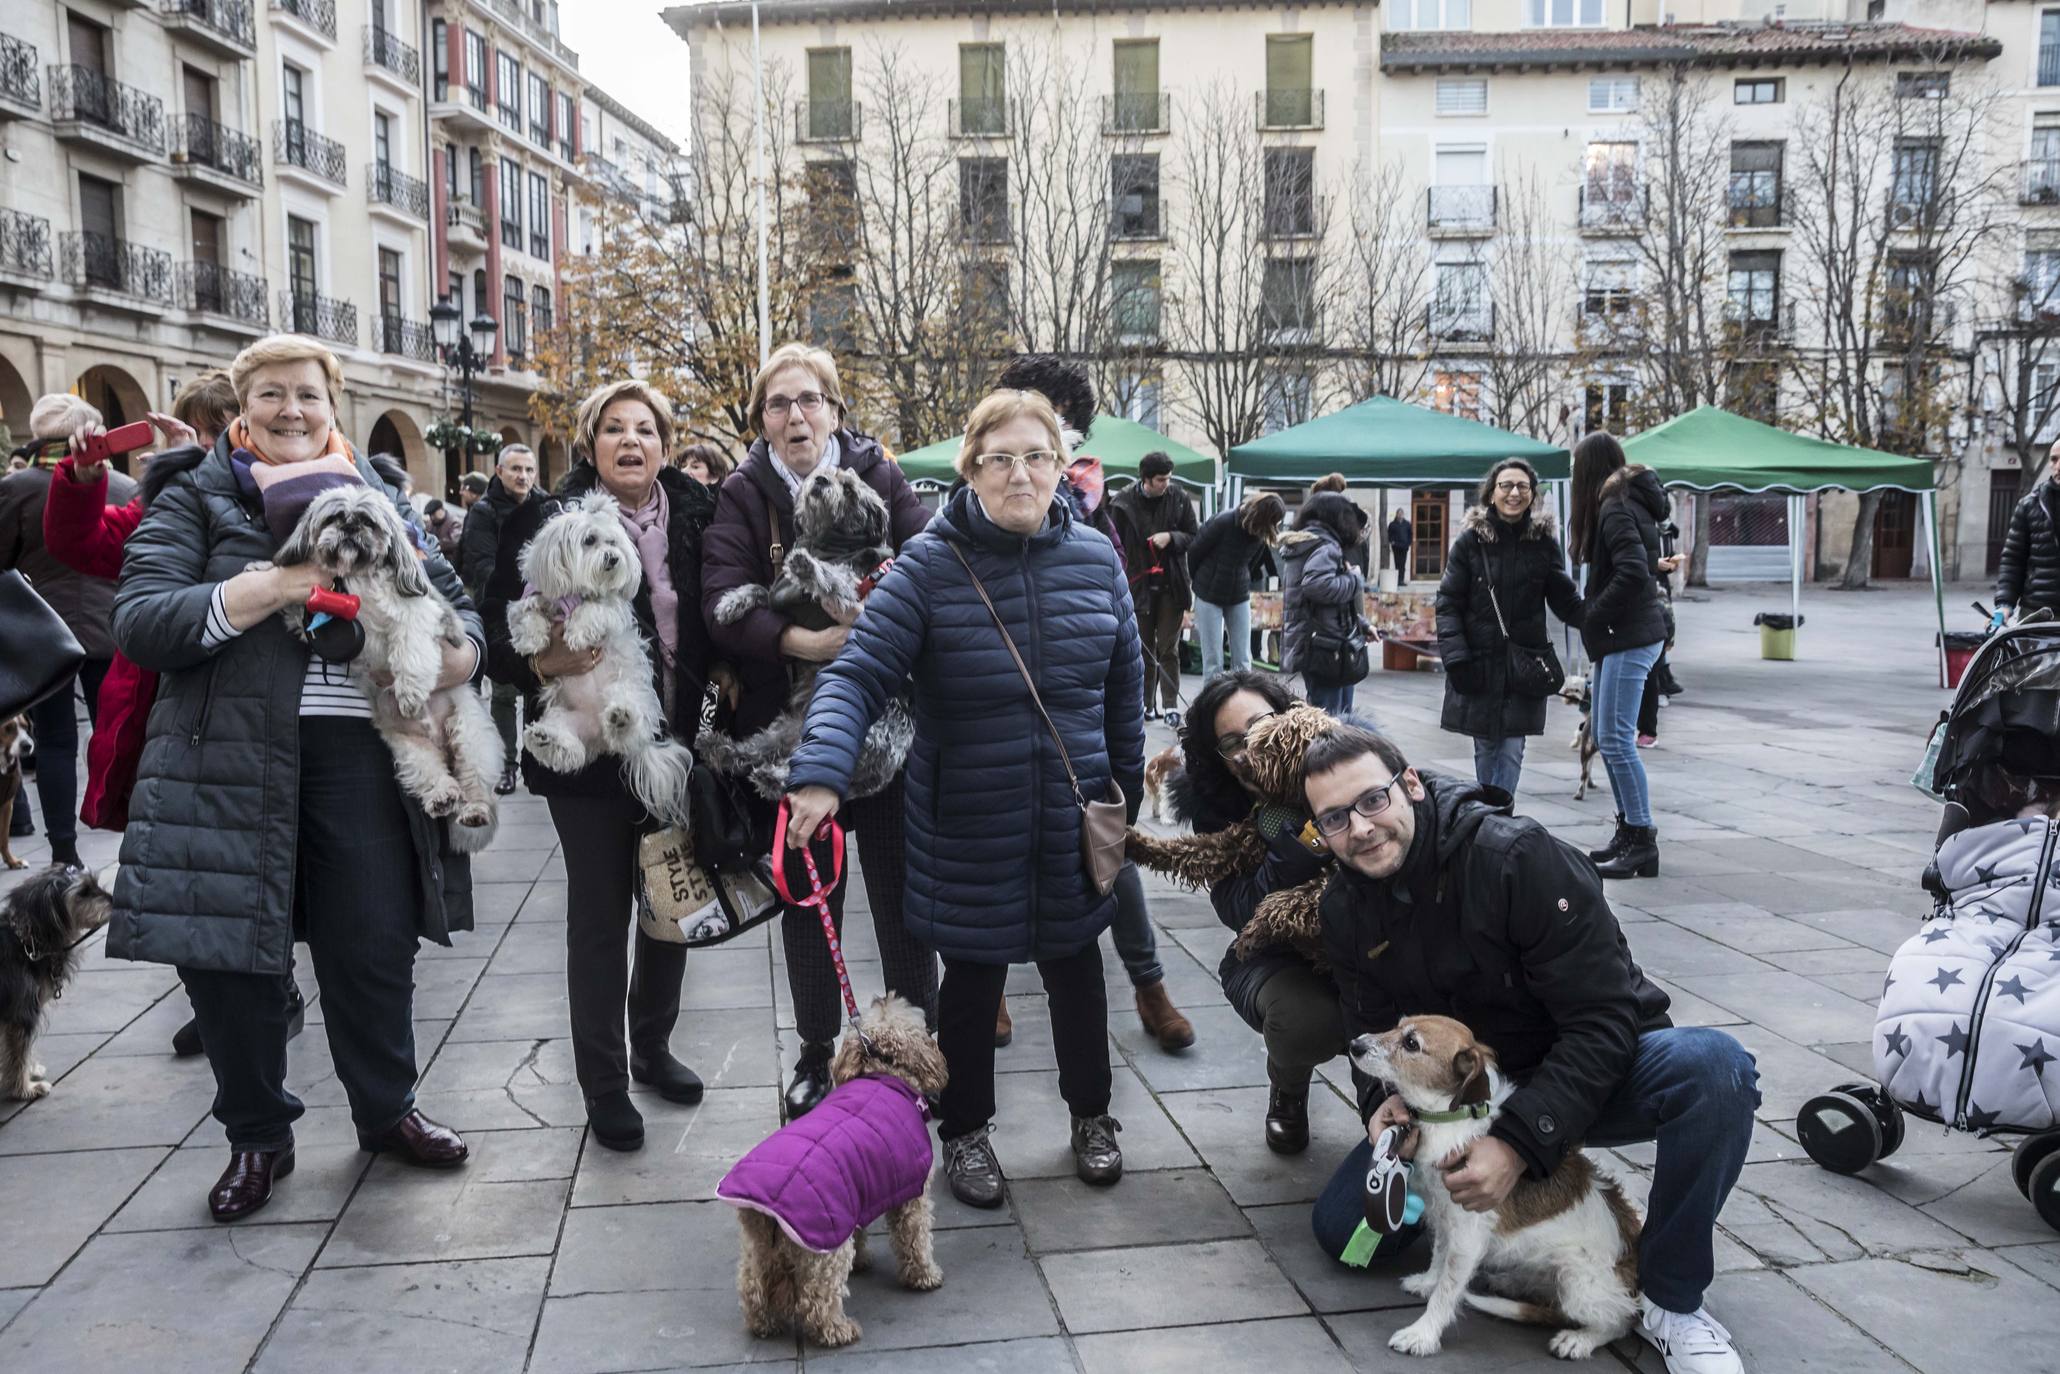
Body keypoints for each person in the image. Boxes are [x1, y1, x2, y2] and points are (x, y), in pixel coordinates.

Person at [106, 334, 477, 1222]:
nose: (291, 411)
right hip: (223, 758)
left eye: (307, 394)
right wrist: (275, 587)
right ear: (243, 408)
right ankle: (257, 1136)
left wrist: (450, 661)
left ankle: (387, 1110)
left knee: (373, 941)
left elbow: (459, 610)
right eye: (270, 394)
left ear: (332, 403)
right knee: (230, 960)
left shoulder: (381, 499)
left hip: (359, 756)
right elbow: (142, 621)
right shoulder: (195, 496)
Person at [783, 387, 1146, 1208]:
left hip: (1068, 816)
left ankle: (1093, 1115)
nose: (1021, 475)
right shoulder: (927, 566)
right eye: (1000, 459)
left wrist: (1122, 794)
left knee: (1077, 972)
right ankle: (967, 1133)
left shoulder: (1096, 558)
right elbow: (859, 674)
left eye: (1037, 457)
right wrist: (821, 769)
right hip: (966, 820)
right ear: (970, 471)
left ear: (1063, 466)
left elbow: (1124, 685)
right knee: (972, 986)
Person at [1302, 723, 1756, 1374]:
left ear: (1410, 787)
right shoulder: (1344, 909)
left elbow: (1605, 1020)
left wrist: (1515, 1144)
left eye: (1372, 801)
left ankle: (1671, 1298)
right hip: (1459, 1099)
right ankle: (1519, 1240)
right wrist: (1381, 1103)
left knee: (1716, 1070)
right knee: (1345, 1231)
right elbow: (1368, 1020)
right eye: (1336, 818)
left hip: (1589, 1073)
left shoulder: (1517, 859)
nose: (1361, 828)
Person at [701, 342, 938, 1120]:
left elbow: (926, 563)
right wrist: (809, 642)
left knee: (904, 900)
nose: (795, 415)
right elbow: (722, 598)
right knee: (809, 900)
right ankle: (813, 1054)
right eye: (778, 404)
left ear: (835, 410)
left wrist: (869, 620)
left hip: (887, 727)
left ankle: (920, 1051)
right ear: (761, 419)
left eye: (809, 400)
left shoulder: (881, 474)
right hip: (794, 732)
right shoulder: (743, 492)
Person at [38, 373, 301, 1062]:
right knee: (180, 868)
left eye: (220, 429)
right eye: (199, 431)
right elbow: (83, 544)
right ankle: (213, 996)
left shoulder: (291, 493)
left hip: (253, 713)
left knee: (252, 859)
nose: (211, 442)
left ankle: (274, 989)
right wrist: (84, 474)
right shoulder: (167, 503)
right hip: (170, 707)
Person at [487, 379, 713, 1153]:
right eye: (613, 428)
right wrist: (546, 658)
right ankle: (606, 1084)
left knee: (670, 906)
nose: (629, 441)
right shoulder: (551, 520)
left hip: (670, 743)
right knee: (599, 917)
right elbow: (493, 630)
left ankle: (653, 1046)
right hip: (582, 752)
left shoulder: (696, 514)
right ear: (591, 445)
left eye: (644, 429)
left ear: (664, 442)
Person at [1005, 353, 1193, 1056]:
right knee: (993, 855)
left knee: (1111, 852)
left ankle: (1149, 985)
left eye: (1051, 425)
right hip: (997, 716)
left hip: (1074, 722)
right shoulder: (981, 490)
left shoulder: (1091, 508)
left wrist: (1121, 754)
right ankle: (987, 990)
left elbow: (1118, 637)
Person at [1172, 670, 1342, 1153]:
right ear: (1218, 758)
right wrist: (1295, 855)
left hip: (1366, 941)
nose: (1253, 745)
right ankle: (1289, 1087)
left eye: (1261, 724)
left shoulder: (1342, 765)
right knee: (1303, 1021)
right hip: (1275, 951)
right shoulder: (1219, 809)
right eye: (1232, 743)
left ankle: (1385, 1111)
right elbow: (1238, 908)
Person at [0, 393, 138, 869]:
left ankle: (64, 854)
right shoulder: (121, 484)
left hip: (41, 636)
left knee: (56, 742)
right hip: (110, 630)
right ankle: (132, 842)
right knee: (115, 736)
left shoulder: (16, 487)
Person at [1434, 458, 1584, 798]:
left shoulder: (1544, 543)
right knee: (1485, 746)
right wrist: (1456, 659)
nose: (1513, 493)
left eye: (1522, 486)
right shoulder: (1470, 542)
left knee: (1513, 748)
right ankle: (1488, 821)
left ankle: (1499, 817)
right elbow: (1447, 603)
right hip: (1479, 664)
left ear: (1532, 494)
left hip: (1523, 666)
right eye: (1506, 486)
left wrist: (1602, 620)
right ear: (1491, 493)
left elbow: (1565, 599)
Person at [1569, 433, 1673, 879]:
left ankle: (1641, 838)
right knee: (1611, 737)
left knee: (1615, 739)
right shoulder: (1625, 503)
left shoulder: (1615, 506)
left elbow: (1633, 571)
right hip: (1624, 634)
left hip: (1628, 634)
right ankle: (1628, 829)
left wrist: (1593, 612)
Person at [462, 442, 541, 795]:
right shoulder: (483, 512)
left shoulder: (545, 505)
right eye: (515, 469)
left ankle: (539, 757)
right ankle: (508, 765)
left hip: (542, 609)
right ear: (499, 472)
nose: (523, 476)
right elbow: (480, 565)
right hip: (501, 613)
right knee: (506, 694)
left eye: (528, 469)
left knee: (543, 684)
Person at [1109, 451, 1196, 724]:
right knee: (1142, 650)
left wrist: (1171, 537)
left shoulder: (1179, 498)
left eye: (1168, 478)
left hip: (1172, 584)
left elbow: (1194, 535)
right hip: (1138, 587)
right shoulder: (1122, 503)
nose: (1166, 484)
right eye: (1160, 479)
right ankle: (1145, 705)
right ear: (1146, 479)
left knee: (1169, 649)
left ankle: (1171, 706)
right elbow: (1114, 545)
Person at [1279, 491, 1369, 718]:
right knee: (1332, 719)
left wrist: (1362, 625)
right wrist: (1354, 578)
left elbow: (1322, 605)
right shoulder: (1326, 546)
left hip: (1318, 642)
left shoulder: (1306, 543)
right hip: (1327, 646)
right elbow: (1317, 586)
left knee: (1327, 714)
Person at [1188, 491, 1284, 680]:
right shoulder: (1223, 521)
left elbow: (1253, 562)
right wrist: (1198, 582)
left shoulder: (1261, 532)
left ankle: (1241, 705)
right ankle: (1212, 708)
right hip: (1208, 594)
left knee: (1243, 660)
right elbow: (1194, 552)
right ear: (1264, 517)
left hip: (1238, 594)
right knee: (1213, 661)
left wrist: (1243, 578)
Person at [1995, 439, 2060, 623]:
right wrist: (2004, 604)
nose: (2058, 466)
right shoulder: (2029, 505)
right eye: (2054, 460)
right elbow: (2013, 559)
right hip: (2036, 612)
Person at [1386, 508, 1414, 586]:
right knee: (1397, 564)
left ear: (1403, 514)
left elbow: (1410, 534)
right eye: (1399, 513)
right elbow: (1389, 534)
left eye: (1401, 513)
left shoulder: (1407, 524)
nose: (1400, 515)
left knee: (1403, 564)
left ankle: (1401, 580)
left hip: (1404, 547)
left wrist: (1408, 543)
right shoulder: (1392, 524)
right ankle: (1397, 580)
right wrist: (1392, 542)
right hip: (1396, 547)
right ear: (1396, 514)